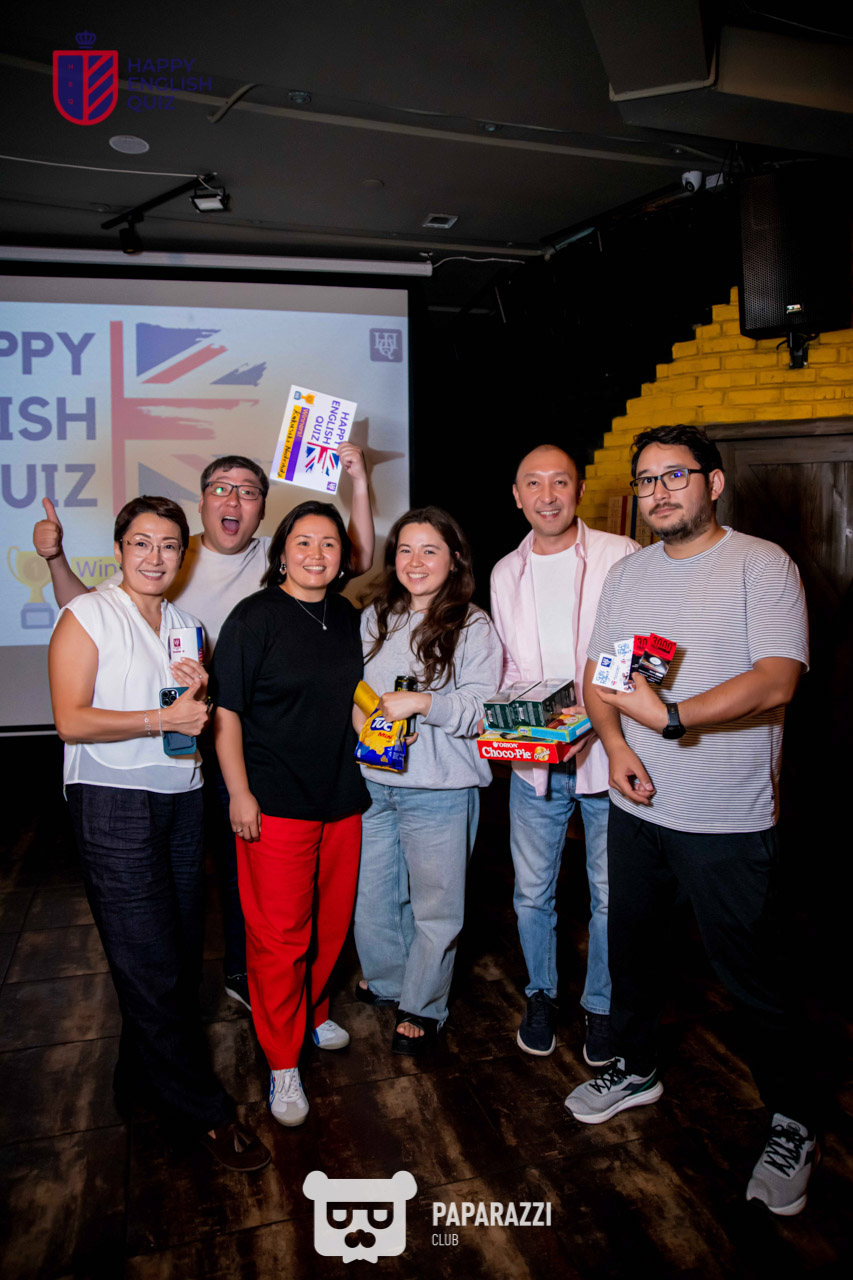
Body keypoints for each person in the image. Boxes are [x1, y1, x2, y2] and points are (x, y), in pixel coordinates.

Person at [565, 423, 817, 1217]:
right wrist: (615, 746)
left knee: (752, 977)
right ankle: (636, 1067)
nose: (658, 491)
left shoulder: (761, 564)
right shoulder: (628, 573)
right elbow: (599, 676)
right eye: (646, 480)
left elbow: (775, 680)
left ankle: (792, 1118)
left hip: (726, 814)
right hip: (637, 802)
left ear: (712, 482)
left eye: (674, 475)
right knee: (633, 951)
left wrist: (671, 717)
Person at [34, 447, 375, 1012]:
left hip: (244, 739)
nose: (233, 499)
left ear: (262, 508)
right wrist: (54, 559)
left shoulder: (278, 554)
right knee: (201, 883)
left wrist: (358, 480)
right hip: (185, 738)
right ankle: (239, 989)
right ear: (201, 502)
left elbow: (353, 558)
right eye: (221, 488)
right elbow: (92, 615)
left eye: (248, 491)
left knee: (236, 874)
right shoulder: (173, 552)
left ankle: (248, 976)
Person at [48, 495, 269, 1172]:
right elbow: (70, 720)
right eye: (142, 543)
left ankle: (137, 1079)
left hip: (182, 796)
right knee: (150, 961)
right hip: (111, 799)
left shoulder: (186, 625)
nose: (155, 557)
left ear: (183, 555)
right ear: (119, 550)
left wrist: (194, 697)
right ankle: (202, 1111)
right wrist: (159, 719)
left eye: (169, 545)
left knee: (170, 954)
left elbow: (191, 718)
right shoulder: (87, 615)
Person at [212, 501, 367, 1127]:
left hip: (342, 797)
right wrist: (239, 793)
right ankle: (281, 1059)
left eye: (328, 543)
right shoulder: (254, 618)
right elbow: (227, 713)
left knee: (330, 925)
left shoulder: (348, 615)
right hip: (275, 801)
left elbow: (353, 700)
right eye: (303, 541)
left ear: (342, 555)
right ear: (281, 552)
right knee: (280, 939)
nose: (316, 554)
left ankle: (314, 1010)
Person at [490, 445, 637, 1063]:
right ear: (516, 495)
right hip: (535, 765)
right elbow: (509, 670)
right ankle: (541, 995)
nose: (547, 495)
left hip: (610, 757)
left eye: (559, 482)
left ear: (578, 490)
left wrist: (595, 723)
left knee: (610, 896)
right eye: (534, 483)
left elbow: (635, 654)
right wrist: (529, 726)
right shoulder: (505, 572)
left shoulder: (620, 555)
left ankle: (600, 1005)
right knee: (532, 893)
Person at [353, 507, 503, 1055]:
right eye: (405, 550)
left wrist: (424, 704)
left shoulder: (473, 624)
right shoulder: (375, 617)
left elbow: (482, 708)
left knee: (435, 906)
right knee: (374, 898)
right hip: (375, 781)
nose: (415, 562)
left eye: (430, 550)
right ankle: (390, 980)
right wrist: (364, 722)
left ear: (455, 559)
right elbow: (357, 691)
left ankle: (422, 1003)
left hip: (440, 788)